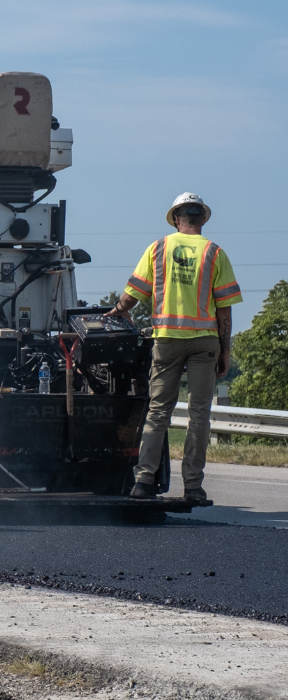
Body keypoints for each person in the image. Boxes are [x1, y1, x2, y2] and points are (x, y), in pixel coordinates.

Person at [106, 193, 242, 501]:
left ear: (176, 219)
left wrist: (118, 308)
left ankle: (143, 481)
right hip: (204, 342)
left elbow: (133, 294)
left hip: (166, 341)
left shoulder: (158, 249)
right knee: (199, 415)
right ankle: (192, 486)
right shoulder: (214, 253)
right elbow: (224, 310)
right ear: (203, 219)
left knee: (158, 412)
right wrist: (225, 350)